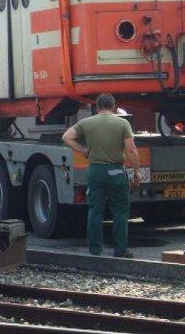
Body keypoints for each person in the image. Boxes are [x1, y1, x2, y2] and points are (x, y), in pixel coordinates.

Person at [62, 93, 140, 258]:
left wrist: (83, 150)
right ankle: (121, 250)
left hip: (95, 172)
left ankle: (95, 249)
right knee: (120, 212)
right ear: (114, 107)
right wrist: (136, 173)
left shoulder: (87, 123)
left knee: (95, 210)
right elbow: (131, 150)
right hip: (116, 171)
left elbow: (66, 137)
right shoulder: (122, 123)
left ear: (96, 107)